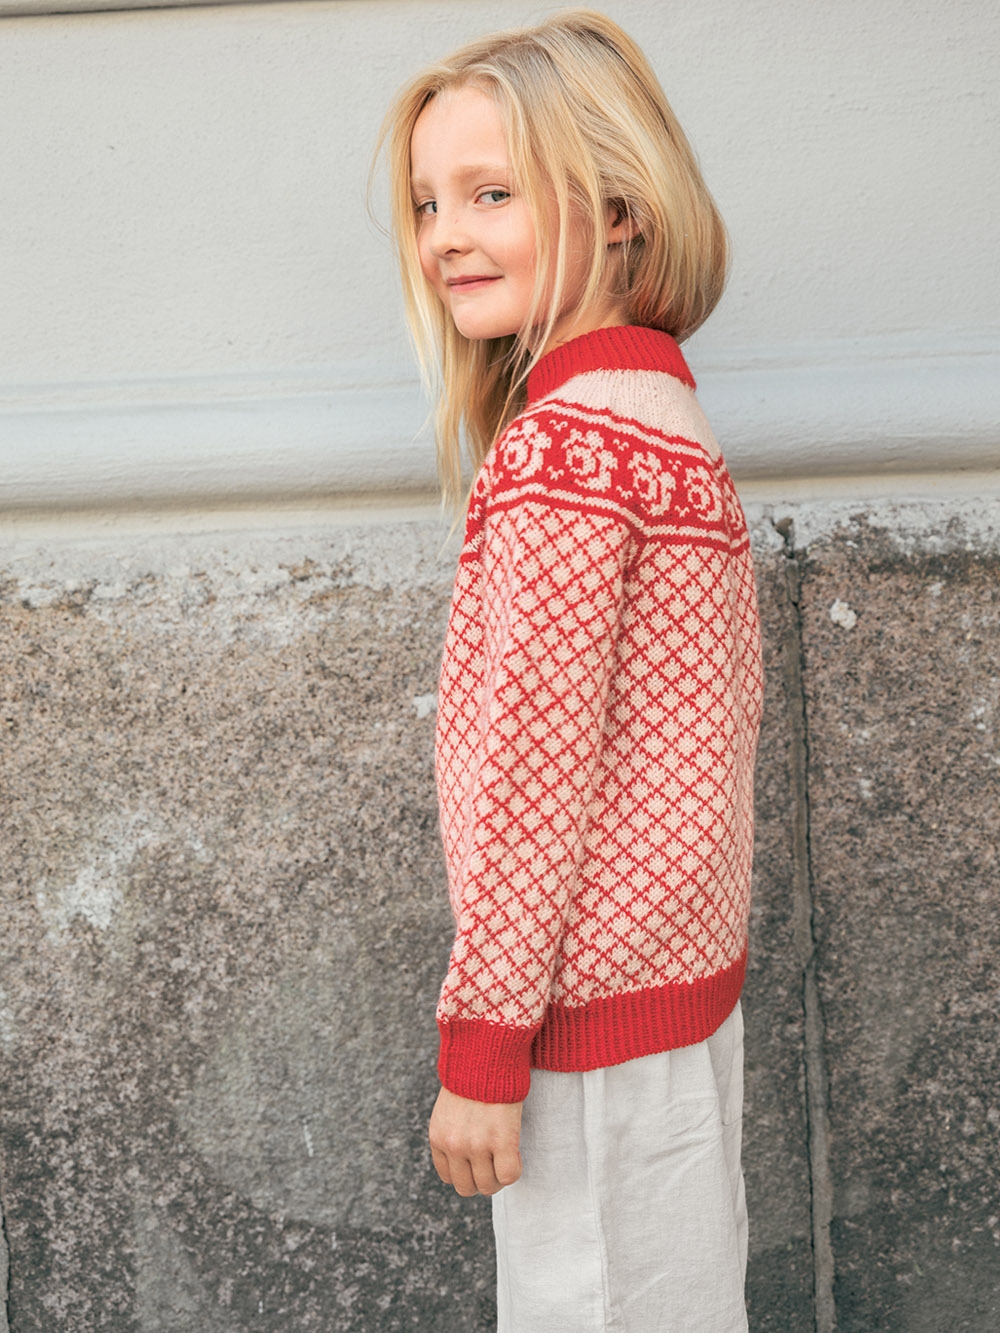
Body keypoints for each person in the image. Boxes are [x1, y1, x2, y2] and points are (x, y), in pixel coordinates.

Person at [378, 10, 762, 1329]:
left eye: (492, 193)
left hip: (581, 1024)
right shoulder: (666, 420)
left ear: (621, 209)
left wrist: (484, 1046)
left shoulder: (562, 453)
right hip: (675, 996)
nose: (446, 235)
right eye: (427, 203)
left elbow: (532, 775)